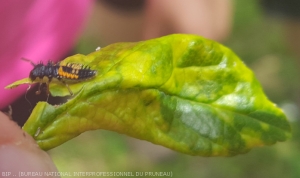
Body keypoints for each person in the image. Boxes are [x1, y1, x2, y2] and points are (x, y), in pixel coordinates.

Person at [0, 0, 233, 177]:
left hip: (44, 36)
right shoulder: (48, 72)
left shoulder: (47, 64)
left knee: (27, 137)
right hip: (43, 53)